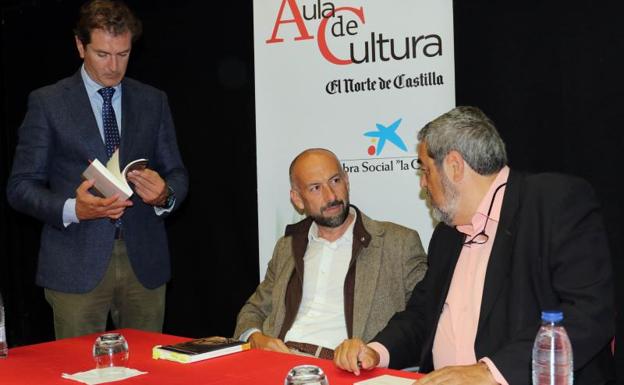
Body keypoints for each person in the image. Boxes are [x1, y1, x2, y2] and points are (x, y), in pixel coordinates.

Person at [333, 106, 615, 385]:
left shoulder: (552, 202)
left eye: (426, 170)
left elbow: (590, 312)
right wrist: (375, 351)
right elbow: (422, 315)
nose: (423, 184)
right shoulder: (447, 235)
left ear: (454, 166)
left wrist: (489, 372)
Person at [6, 0, 188, 339]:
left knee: (148, 371)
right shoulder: (48, 102)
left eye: (123, 54)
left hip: (144, 263)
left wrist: (164, 194)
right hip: (75, 263)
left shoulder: (153, 100)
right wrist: (74, 209)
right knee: (80, 370)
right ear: (80, 46)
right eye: (103, 54)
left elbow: (177, 173)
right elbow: (20, 187)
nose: (114, 66)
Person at [234, 148, 427, 359]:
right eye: (316, 188)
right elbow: (253, 310)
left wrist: (375, 351)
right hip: (280, 363)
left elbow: (424, 318)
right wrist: (256, 338)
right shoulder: (287, 247)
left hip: (343, 369)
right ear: (297, 199)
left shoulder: (398, 242)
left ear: (347, 181)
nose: (331, 196)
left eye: (335, 181)